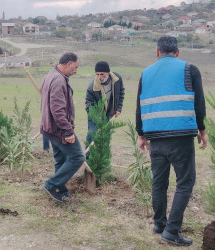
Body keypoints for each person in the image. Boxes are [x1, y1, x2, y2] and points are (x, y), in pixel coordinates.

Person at [136, 36, 208, 246]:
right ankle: (172, 231)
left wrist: (141, 135)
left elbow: (139, 107)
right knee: (185, 183)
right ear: (178, 52)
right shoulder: (189, 69)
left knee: (159, 182)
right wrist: (202, 131)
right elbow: (199, 105)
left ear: (157, 52)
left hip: (155, 138)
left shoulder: (146, 73)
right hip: (181, 137)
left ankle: (159, 225)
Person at [40, 52, 85, 203]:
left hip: (49, 128)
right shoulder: (59, 80)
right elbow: (57, 109)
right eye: (75, 67)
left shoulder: (51, 75)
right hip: (59, 129)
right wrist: (68, 130)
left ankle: (61, 190)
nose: (76, 71)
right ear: (68, 64)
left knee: (60, 159)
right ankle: (51, 185)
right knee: (77, 156)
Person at [85, 61, 125, 151]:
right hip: (94, 115)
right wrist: (97, 119)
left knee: (106, 137)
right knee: (92, 134)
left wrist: (119, 108)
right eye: (97, 74)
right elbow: (88, 105)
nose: (99, 77)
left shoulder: (117, 79)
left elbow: (121, 93)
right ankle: (87, 159)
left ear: (108, 72)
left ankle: (103, 160)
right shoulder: (92, 87)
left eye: (102, 74)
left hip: (109, 113)